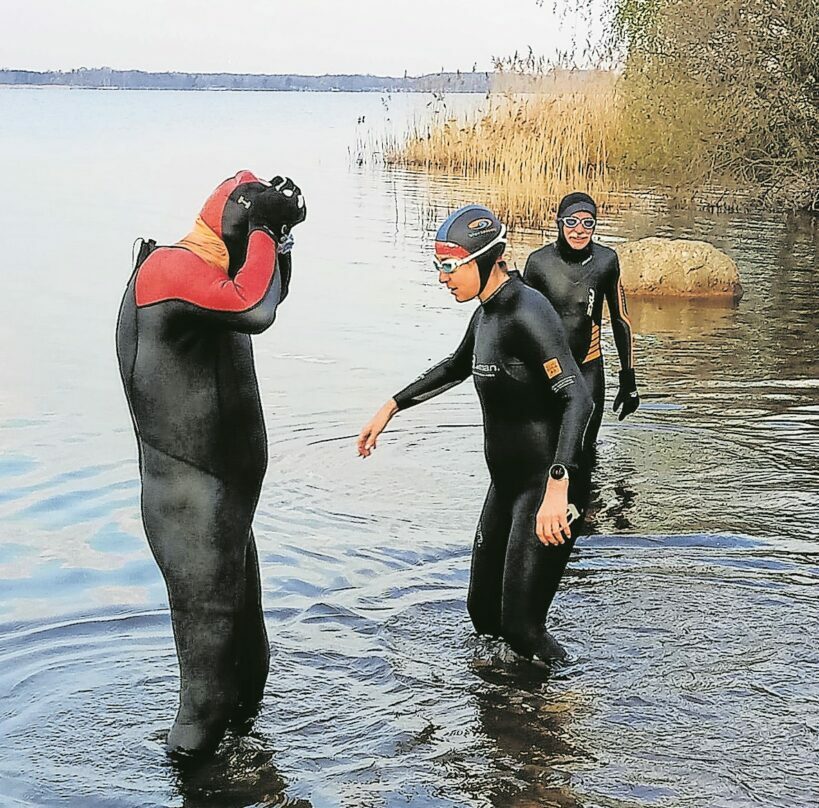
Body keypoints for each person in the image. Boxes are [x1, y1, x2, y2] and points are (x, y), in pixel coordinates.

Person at [115, 171, 306, 757]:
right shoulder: (169, 270)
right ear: (237, 228)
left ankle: (248, 778)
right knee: (208, 694)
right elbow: (255, 306)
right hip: (190, 510)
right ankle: (195, 782)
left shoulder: (210, 274)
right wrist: (267, 229)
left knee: (250, 667)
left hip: (226, 509)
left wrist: (278, 238)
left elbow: (270, 288)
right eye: (256, 235)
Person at [358, 205, 594, 662]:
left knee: (521, 628)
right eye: (438, 266)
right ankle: (504, 714)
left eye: (450, 266)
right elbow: (454, 366)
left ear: (485, 259)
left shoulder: (528, 311)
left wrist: (558, 485)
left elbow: (577, 397)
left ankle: (569, 700)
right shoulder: (487, 313)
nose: (443, 277)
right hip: (506, 486)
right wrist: (391, 406)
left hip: (548, 486)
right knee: (483, 614)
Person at [523, 192, 640, 456]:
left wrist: (628, 380)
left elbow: (621, 320)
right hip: (547, 371)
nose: (579, 230)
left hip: (588, 369)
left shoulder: (606, 261)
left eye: (588, 223)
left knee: (584, 455)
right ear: (559, 223)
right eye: (572, 222)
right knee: (545, 454)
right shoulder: (538, 263)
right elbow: (522, 322)